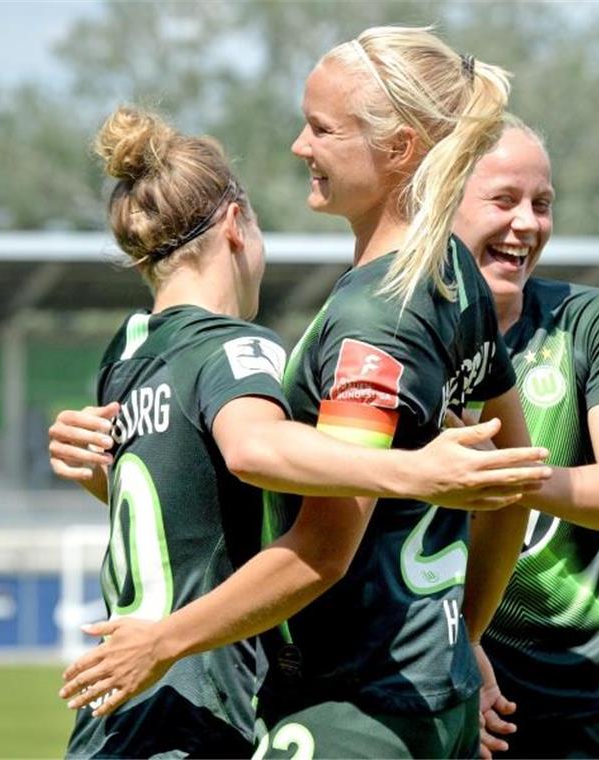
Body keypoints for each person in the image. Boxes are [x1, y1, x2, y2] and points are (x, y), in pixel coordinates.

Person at [58, 27, 538, 759]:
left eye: (320, 127)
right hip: (421, 689)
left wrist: (162, 640)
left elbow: (321, 547)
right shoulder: (453, 276)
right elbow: (514, 467)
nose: (297, 146)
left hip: (352, 704)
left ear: (399, 148)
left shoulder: (371, 319)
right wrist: (461, 640)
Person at [451, 118, 599, 759]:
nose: (527, 223)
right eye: (504, 200)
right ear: (443, 201)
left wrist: (503, 475)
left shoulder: (593, 319)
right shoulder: (401, 338)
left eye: (542, 204)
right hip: (461, 687)